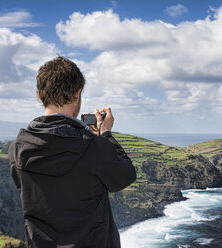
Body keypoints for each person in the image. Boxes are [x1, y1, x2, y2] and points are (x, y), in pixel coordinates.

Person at [8, 56, 136, 248]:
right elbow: (125, 176)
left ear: (39, 94)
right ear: (77, 94)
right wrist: (106, 134)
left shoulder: (17, 148)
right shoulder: (93, 146)